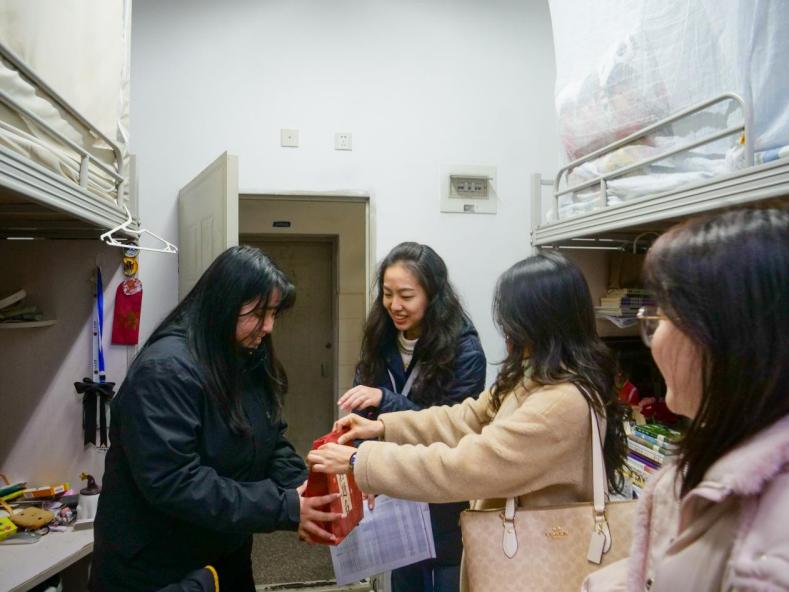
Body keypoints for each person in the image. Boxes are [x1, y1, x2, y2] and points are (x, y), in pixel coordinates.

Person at [309, 251, 628, 591]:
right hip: (520, 549)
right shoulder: (535, 376)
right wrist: (385, 427)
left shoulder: (561, 402)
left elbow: (467, 465)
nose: (506, 331)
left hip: (541, 557)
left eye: (512, 320)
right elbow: (467, 416)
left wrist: (361, 461)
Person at [90, 246, 341, 592]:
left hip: (224, 553)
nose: (269, 327)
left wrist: (308, 492)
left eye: (273, 313)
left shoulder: (243, 354)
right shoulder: (165, 370)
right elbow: (176, 481)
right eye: (260, 313)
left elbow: (270, 441)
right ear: (224, 304)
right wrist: (284, 506)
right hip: (158, 567)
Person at [583, 207, 789, 591]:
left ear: (723, 334)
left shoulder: (769, 548)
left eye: (662, 315)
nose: (653, 340)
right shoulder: (719, 454)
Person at [337, 241, 486, 592]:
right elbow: (362, 411)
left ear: (433, 295)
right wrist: (361, 463)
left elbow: (451, 428)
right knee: (403, 578)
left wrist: (386, 400)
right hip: (392, 490)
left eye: (406, 296)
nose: (394, 306)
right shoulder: (381, 335)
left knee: (444, 578)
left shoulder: (464, 351)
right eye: (388, 294)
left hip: (441, 497)